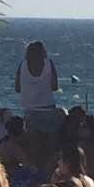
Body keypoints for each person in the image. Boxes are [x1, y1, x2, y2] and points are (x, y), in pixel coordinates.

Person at [12, 41, 62, 170]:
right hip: (48, 109)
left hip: (30, 111)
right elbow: (55, 86)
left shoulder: (22, 65)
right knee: (50, 149)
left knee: (35, 149)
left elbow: (17, 88)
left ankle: (36, 174)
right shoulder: (49, 64)